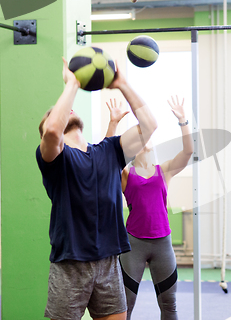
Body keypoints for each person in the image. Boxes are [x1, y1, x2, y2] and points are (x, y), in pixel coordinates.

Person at [36, 58, 157, 320]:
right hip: (70, 265)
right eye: (54, 113)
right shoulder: (55, 157)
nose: (64, 111)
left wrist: (122, 83)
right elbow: (53, 132)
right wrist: (72, 84)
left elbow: (150, 126)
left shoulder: (109, 151)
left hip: (109, 262)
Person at [106, 96, 193, 320]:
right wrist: (113, 123)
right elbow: (106, 160)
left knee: (169, 305)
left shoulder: (164, 171)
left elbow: (188, 152)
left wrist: (183, 121)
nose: (146, 140)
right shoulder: (126, 174)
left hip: (163, 243)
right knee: (125, 305)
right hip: (133, 244)